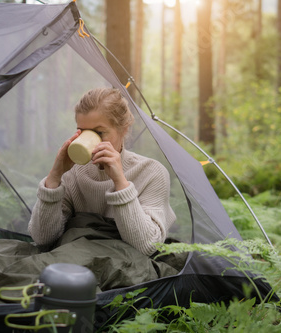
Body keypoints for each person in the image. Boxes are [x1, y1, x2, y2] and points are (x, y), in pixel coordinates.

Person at [28, 87, 176, 256]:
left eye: (99, 132)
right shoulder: (73, 172)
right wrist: (54, 177)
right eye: (82, 132)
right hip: (74, 263)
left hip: (126, 272)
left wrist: (120, 182)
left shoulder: (151, 172)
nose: (90, 140)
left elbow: (146, 247)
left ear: (124, 128)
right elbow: (43, 238)